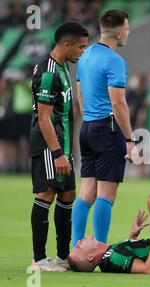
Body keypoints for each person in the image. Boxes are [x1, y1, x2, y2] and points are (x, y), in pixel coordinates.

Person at [72, 10, 136, 247]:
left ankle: (76, 247)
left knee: (86, 191)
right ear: (118, 33)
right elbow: (118, 102)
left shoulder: (85, 55)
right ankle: (99, 248)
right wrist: (129, 138)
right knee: (106, 194)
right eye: (127, 28)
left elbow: (80, 94)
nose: (128, 32)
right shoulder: (115, 61)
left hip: (87, 127)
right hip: (107, 130)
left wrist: (89, 117)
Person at [29, 22, 88, 271]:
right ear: (66, 44)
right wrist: (57, 153)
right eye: (80, 47)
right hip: (48, 145)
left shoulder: (63, 68)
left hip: (63, 145)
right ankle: (39, 260)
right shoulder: (48, 72)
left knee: (67, 195)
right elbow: (43, 118)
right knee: (46, 194)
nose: (82, 52)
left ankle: (63, 257)